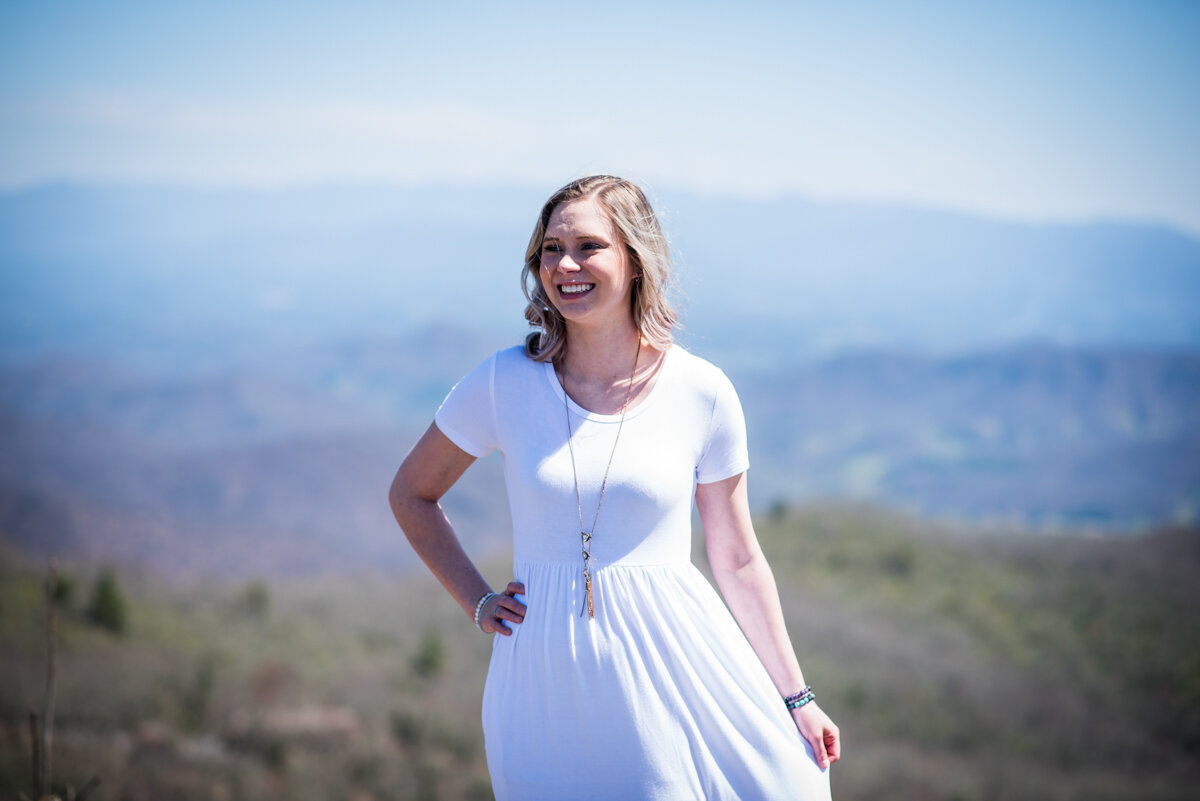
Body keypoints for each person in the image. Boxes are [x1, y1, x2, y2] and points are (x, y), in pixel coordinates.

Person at [389, 175, 840, 800]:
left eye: (588, 246)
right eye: (550, 248)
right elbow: (411, 494)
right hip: (541, 677)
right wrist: (479, 601)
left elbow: (737, 557)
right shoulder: (503, 383)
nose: (565, 265)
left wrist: (798, 697)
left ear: (634, 260)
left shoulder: (702, 392)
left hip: (672, 665)